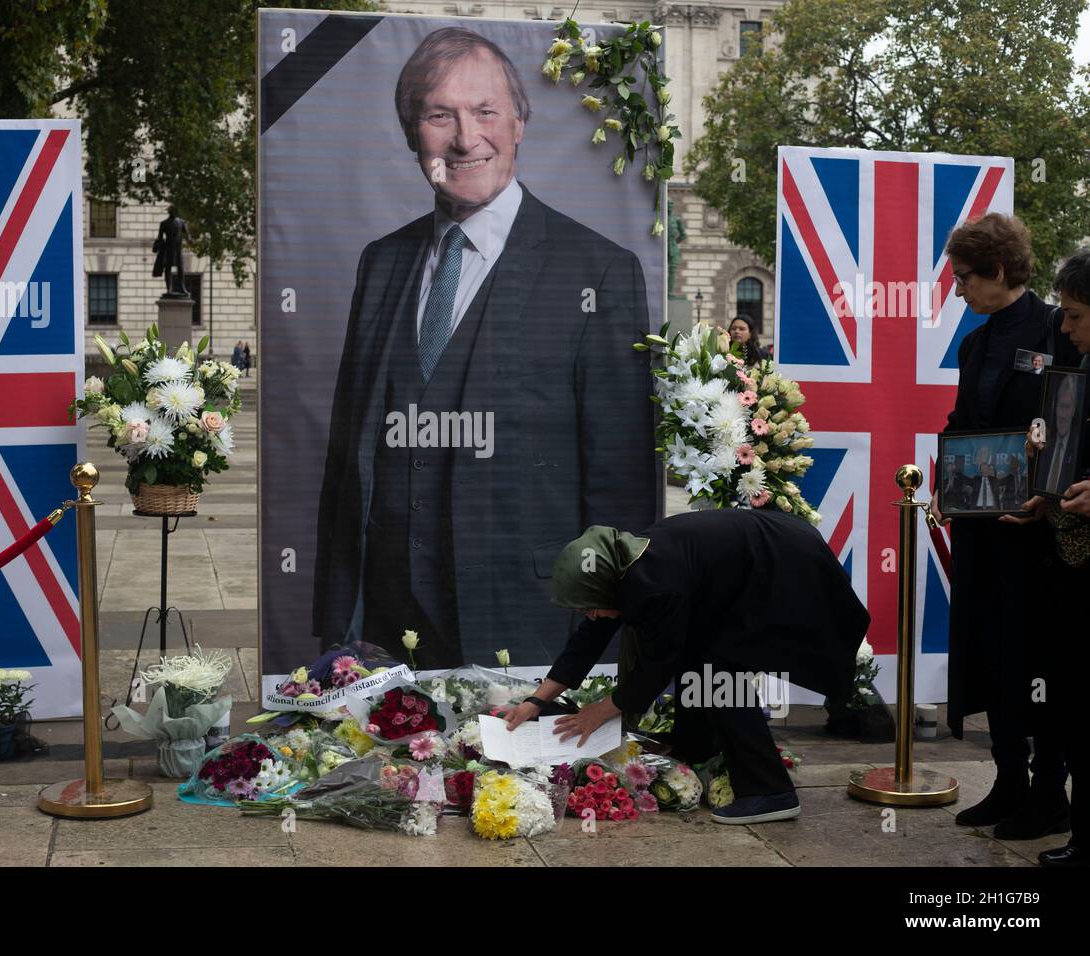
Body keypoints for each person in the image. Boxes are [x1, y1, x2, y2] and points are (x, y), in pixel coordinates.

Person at [313, 27, 656, 668]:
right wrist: (338, 616)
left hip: (527, 615)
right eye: (440, 114)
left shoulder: (599, 270)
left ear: (520, 123)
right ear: (414, 133)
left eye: (486, 111)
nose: (466, 138)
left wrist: (608, 633)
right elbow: (347, 458)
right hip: (384, 623)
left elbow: (621, 478)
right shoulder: (381, 262)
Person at [502, 511, 870, 824]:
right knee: (700, 656)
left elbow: (656, 665)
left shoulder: (655, 585)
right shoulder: (619, 572)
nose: (591, 615)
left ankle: (771, 792)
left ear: (609, 589)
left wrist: (598, 712)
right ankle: (695, 749)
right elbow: (587, 642)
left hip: (787, 569)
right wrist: (536, 700)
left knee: (720, 672)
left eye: (591, 607)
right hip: (759, 562)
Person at [932, 213, 1079, 839]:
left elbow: (1070, 425)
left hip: (1038, 537)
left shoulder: (1059, 329)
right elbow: (964, 423)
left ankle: (1050, 792)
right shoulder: (973, 344)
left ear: (997, 271)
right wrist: (946, 481)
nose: (957, 291)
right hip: (981, 530)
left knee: (1039, 660)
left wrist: (1047, 492)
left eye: (963, 278)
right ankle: (1008, 780)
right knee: (992, 657)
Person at [1006, 248, 1090, 866]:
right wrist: (1050, 498)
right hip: (1072, 560)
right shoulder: (1080, 369)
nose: (1065, 329)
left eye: (1078, 316)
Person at [1035, 375, 1081, 497]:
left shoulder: (1078, 447)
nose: (1062, 414)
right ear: (1055, 409)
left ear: (1074, 411)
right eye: (1060, 407)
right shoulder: (1045, 444)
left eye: (1067, 407)